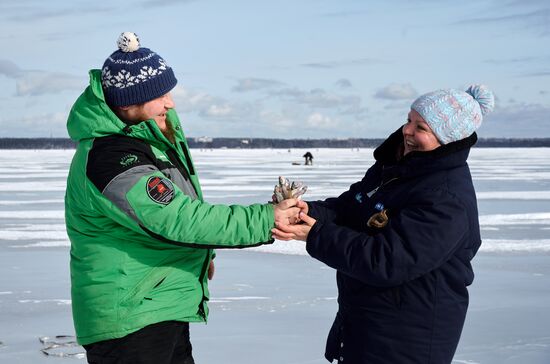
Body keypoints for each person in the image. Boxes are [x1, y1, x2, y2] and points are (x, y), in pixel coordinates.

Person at [65, 32, 298, 364]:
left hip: (155, 305)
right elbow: (177, 217)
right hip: (130, 319)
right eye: (160, 95)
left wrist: (200, 254)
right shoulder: (111, 158)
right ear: (129, 103)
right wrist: (267, 219)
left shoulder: (147, 141)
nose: (170, 103)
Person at [273, 85, 495, 363]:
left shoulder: (446, 199)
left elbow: (386, 261)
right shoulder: (397, 169)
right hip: (366, 325)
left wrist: (315, 234)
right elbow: (349, 208)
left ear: (447, 139)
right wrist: (308, 211)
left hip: (406, 340)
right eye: (408, 120)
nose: (407, 131)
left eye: (421, 127)